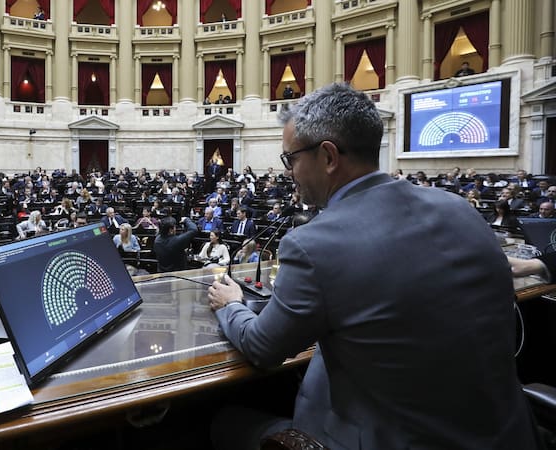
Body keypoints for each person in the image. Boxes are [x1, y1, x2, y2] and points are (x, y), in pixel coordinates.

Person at [206, 83, 539, 450]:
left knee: (218, 421)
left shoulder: (314, 244)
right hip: (509, 435)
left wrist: (231, 304)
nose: (289, 173)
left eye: (291, 159)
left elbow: (262, 348)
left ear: (328, 156)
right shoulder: (460, 209)